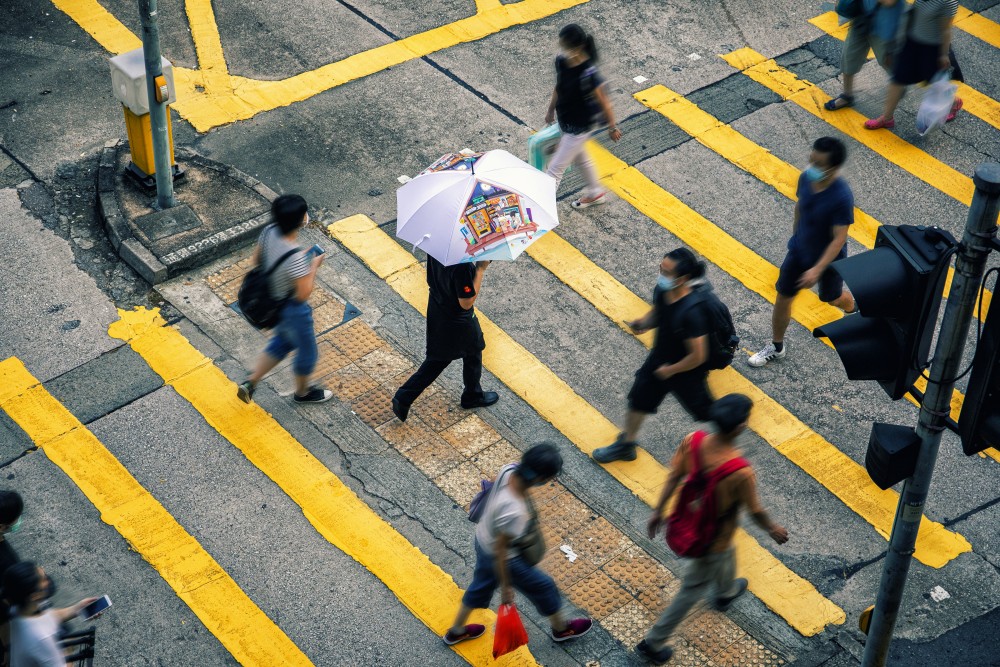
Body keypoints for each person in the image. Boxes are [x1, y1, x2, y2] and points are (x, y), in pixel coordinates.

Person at [635, 395, 789, 664]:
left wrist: (659, 512)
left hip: (690, 522)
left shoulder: (692, 441)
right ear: (740, 427)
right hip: (708, 540)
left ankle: (726, 592)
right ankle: (653, 642)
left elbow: (674, 477)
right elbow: (755, 511)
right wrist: (773, 529)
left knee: (727, 553)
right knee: (692, 589)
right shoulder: (739, 472)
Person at [443, 443, 593, 646]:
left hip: (482, 538)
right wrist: (506, 588)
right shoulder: (517, 511)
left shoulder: (508, 469)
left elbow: (493, 485)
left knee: (479, 588)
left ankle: (456, 631)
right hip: (503, 558)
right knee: (544, 586)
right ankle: (562, 629)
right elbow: (501, 551)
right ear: (541, 479)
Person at [592, 248, 715, 464]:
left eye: (666, 272)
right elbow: (660, 311)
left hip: (686, 371)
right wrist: (643, 323)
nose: (660, 274)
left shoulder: (692, 313)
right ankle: (626, 445)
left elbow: (698, 356)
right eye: (661, 268)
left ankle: (730, 430)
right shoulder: (662, 290)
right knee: (638, 400)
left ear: (682, 279)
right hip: (660, 360)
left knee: (705, 411)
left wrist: (670, 370)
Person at [748, 137, 856, 368]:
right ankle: (777, 347)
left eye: (818, 164)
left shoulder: (841, 197)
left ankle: (853, 309)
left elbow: (839, 239)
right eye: (811, 160)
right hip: (798, 251)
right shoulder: (806, 178)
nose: (812, 168)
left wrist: (817, 270)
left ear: (834, 167)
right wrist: (796, 235)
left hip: (828, 261)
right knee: (783, 296)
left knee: (832, 298)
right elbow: (800, 205)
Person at [237, 194, 332, 405]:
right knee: (308, 351)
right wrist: (313, 266)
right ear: (300, 221)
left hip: (272, 302)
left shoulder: (268, 231)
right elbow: (302, 295)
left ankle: (250, 382)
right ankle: (303, 392)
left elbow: (257, 260)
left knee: (283, 342)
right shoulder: (296, 258)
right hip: (292, 310)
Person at [391, 258, 498, 422]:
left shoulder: (439, 248)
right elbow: (466, 302)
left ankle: (473, 393)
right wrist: (480, 270)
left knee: (473, 349)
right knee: (439, 360)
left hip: (438, 306)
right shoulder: (461, 265)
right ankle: (404, 396)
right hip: (457, 318)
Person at [543, 23, 621, 210]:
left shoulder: (588, 73)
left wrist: (612, 127)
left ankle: (541, 210)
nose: (562, 50)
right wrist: (550, 109)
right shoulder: (562, 60)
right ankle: (596, 193)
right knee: (581, 158)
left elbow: (605, 102)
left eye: (565, 47)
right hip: (565, 121)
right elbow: (559, 87)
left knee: (554, 170)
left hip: (579, 128)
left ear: (577, 48)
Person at [864, 0, 963, 130]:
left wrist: (943, 54)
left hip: (931, 50)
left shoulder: (948, 2)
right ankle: (887, 118)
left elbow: (945, 30)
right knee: (898, 78)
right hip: (911, 43)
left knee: (935, 82)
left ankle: (954, 102)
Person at [4, 562, 97, 667]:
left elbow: (47, 616)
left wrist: (77, 609)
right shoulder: (41, 639)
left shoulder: (18, 608)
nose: (48, 580)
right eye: (44, 579)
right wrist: (66, 651)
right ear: (35, 596)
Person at [824, 0, 901, 111]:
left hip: (884, 24)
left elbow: (889, 2)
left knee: (888, 62)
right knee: (849, 57)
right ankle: (847, 95)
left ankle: (898, 89)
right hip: (861, 17)